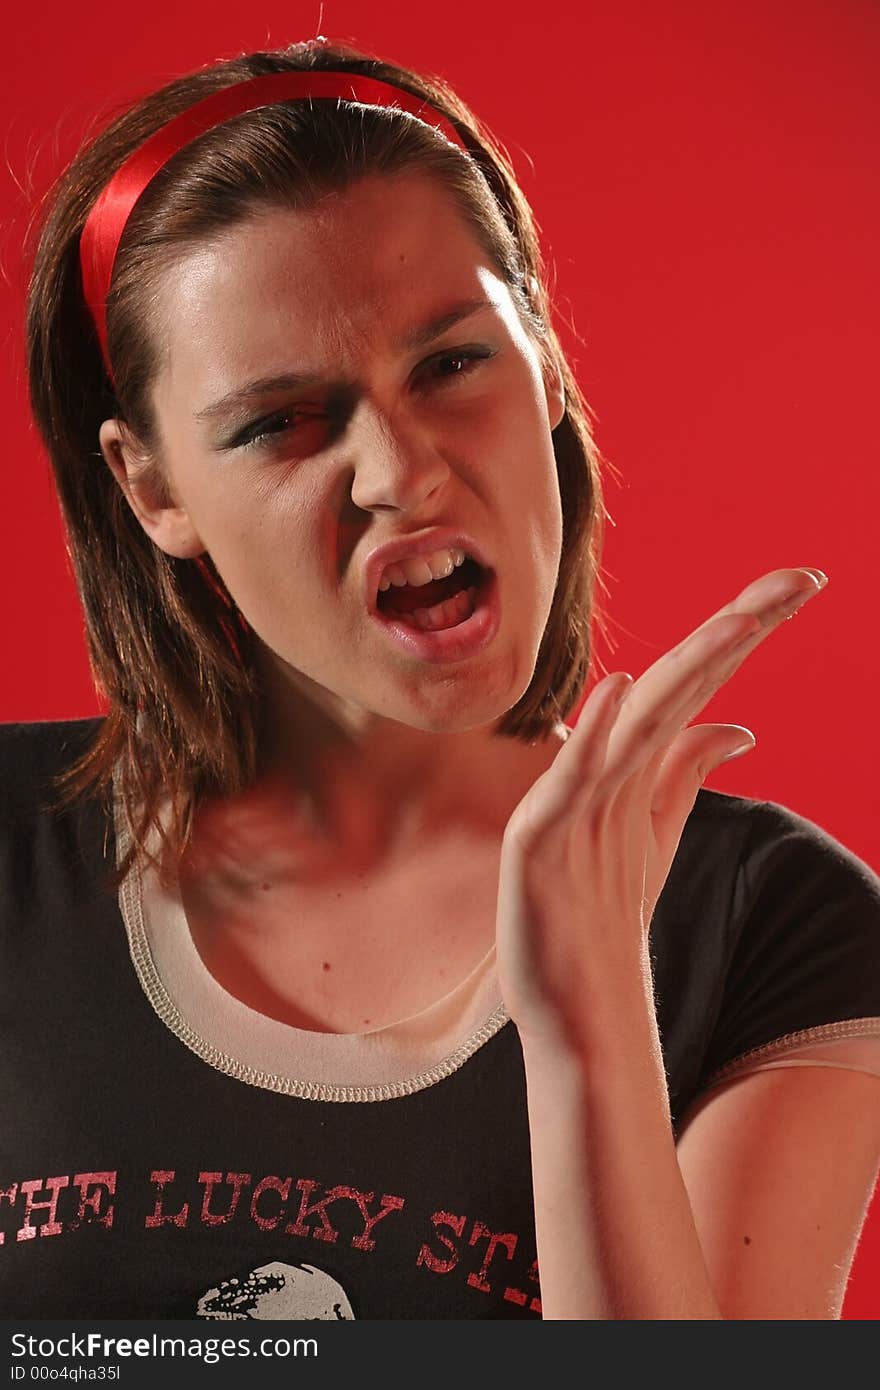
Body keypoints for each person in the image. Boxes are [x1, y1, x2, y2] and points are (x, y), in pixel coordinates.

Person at [4, 36, 879, 1322]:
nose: (399, 473)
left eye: (452, 363)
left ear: (549, 369)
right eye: (279, 422)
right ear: (152, 487)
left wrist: (589, 1022)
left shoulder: (775, 926)